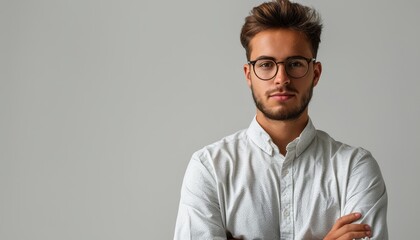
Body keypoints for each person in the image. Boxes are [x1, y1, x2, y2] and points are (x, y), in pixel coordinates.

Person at [174, 0, 388, 239]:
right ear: (249, 75)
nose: (281, 78)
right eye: (266, 64)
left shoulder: (354, 169)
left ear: (315, 73)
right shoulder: (210, 169)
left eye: (295, 64)